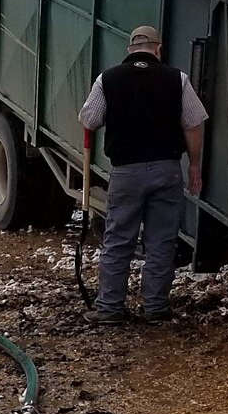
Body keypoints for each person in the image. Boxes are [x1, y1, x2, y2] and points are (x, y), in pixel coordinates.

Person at [79, 23, 208, 322]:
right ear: (158, 49)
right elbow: (193, 124)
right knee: (161, 242)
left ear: (129, 49)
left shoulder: (107, 79)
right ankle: (155, 309)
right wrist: (195, 166)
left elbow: (90, 119)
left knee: (118, 241)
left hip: (126, 173)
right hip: (167, 171)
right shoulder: (178, 79)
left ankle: (110, 309)